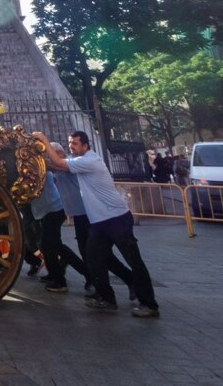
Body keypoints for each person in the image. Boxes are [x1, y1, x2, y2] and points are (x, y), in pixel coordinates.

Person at [34, 130, 160, 318]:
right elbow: (55, 166)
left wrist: (43, 139)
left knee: (134, 260)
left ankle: (149, 304)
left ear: (86, 145)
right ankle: (107, 298)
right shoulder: (79, 162)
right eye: (70, 143)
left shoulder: (90, 161)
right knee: (93, 258)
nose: (71, 147)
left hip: (116, 217)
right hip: (99, 222)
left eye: (75, 144)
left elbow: (59, 163)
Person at [50, 142, 134, 298]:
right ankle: (104, 283)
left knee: (96, 254)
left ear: (59, 154)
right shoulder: (62, 167)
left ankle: (118, 283)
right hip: (79, 215)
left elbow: (54, 166)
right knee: (94, 254)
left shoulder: (71, 164)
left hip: (86, 214)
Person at [29, 171, 87, 292]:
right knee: (52, 245)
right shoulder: (40, 169)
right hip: (50, 210)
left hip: (52, 210)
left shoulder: (39, 169)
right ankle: (57, 275)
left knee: (50, 245)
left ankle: (60, 281)